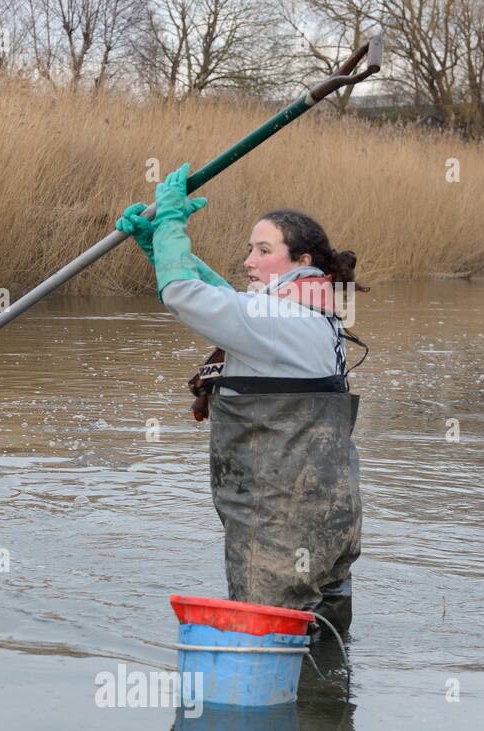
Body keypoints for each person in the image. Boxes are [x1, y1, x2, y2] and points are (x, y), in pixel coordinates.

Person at [117, 164, 366, 635]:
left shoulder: (282, 319)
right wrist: (159, 251)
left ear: (301, 261)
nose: (249, 261)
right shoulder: (311, 312)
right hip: (331, 521)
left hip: (279, 530)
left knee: (265, 655)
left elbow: (186, 296)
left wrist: (172, 225)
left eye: (264, 250)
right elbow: (228, 301)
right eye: (250, 249)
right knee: (325, 654)